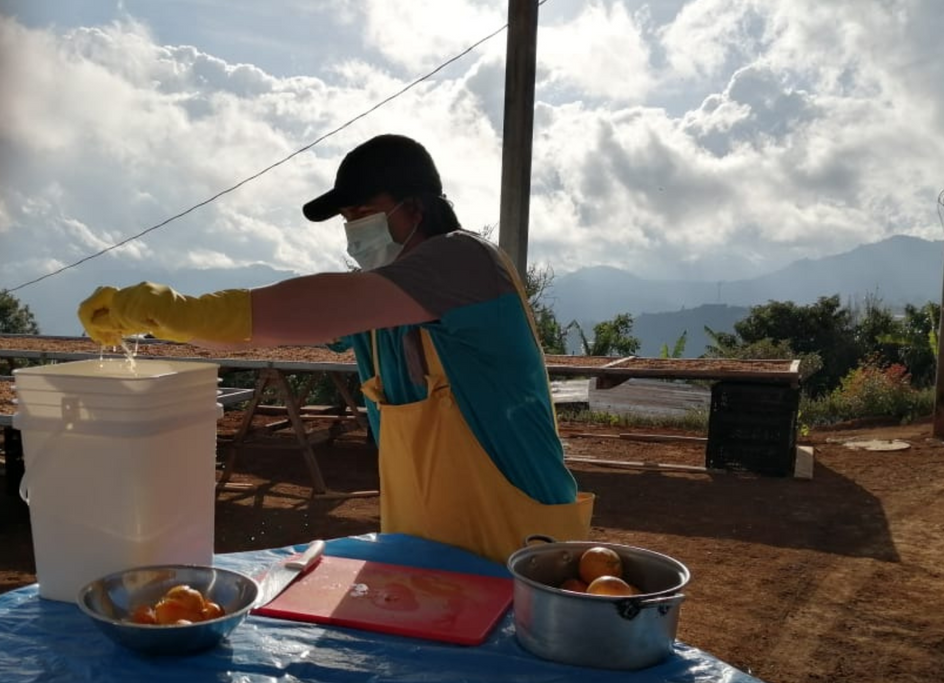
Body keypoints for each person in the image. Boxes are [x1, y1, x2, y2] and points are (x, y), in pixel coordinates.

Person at [78, 133, 594, 563]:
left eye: (365, 213)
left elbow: (314, 304)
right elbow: (270, 327)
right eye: (349, 218)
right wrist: (163, 324)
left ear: (415, 209)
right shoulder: (379, 311)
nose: (354, 232)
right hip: (425, 549)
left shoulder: (465, 263)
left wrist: (177, 309)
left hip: (518, 547)